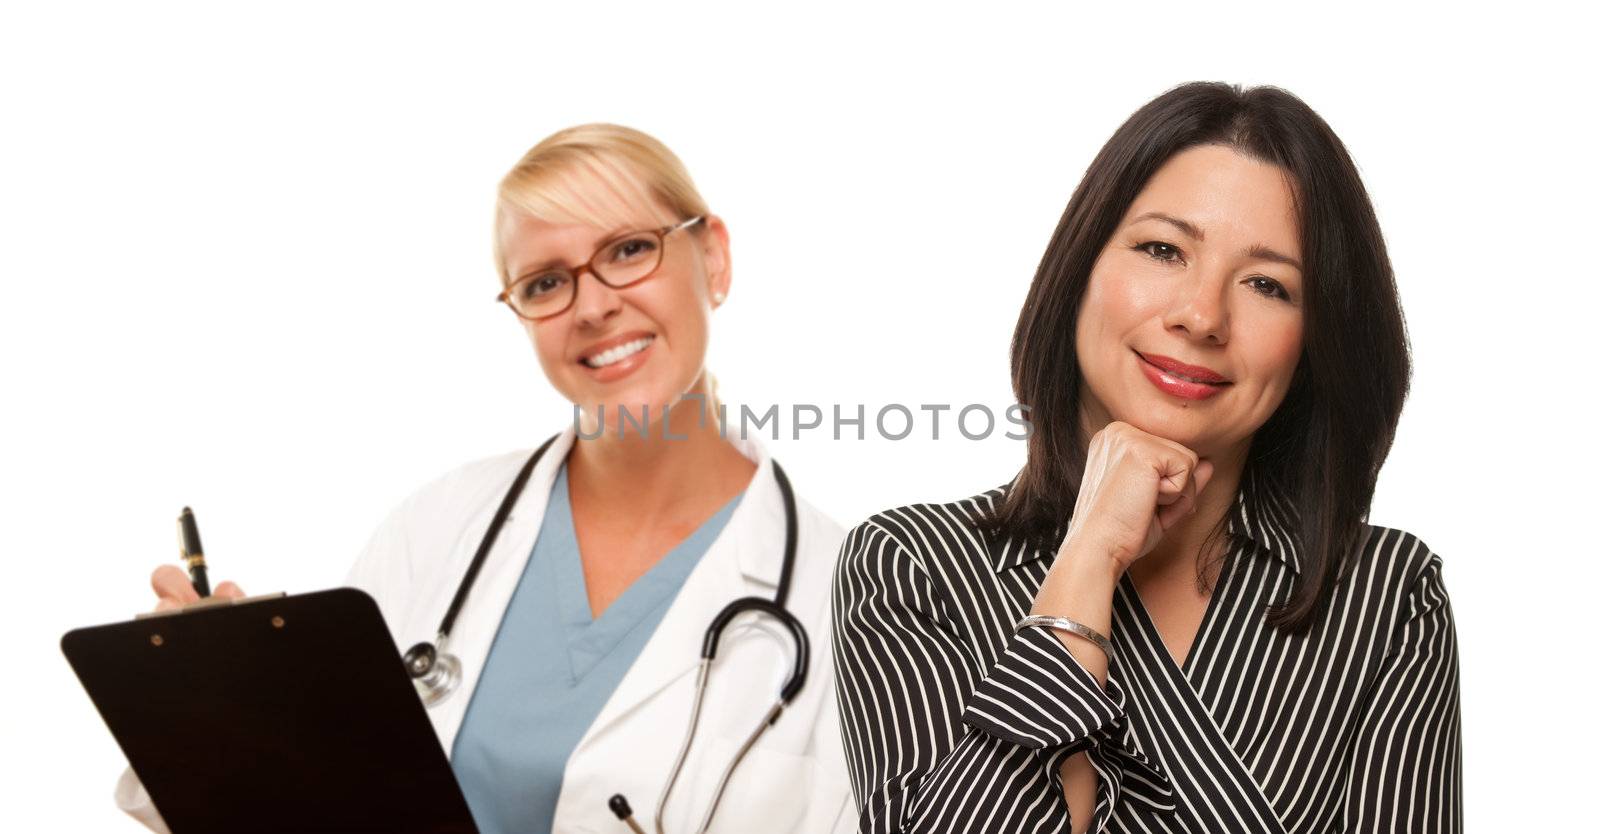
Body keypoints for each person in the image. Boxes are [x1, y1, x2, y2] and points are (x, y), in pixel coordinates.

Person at [121, 123, 856, 833]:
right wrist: (207, 711)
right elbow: (316, 803)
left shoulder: (848, 598)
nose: (595, 306)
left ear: (714, 258)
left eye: (630, 250)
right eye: (545, 284)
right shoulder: (440, 525)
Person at [831, 82, 1461, 834]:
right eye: (1163, 250)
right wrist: (1089, 559)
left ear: (1315, 341)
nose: (1201, 316)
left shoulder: (1386, 597)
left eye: (1268, 284)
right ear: (1081, 270)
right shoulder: (912, 566)